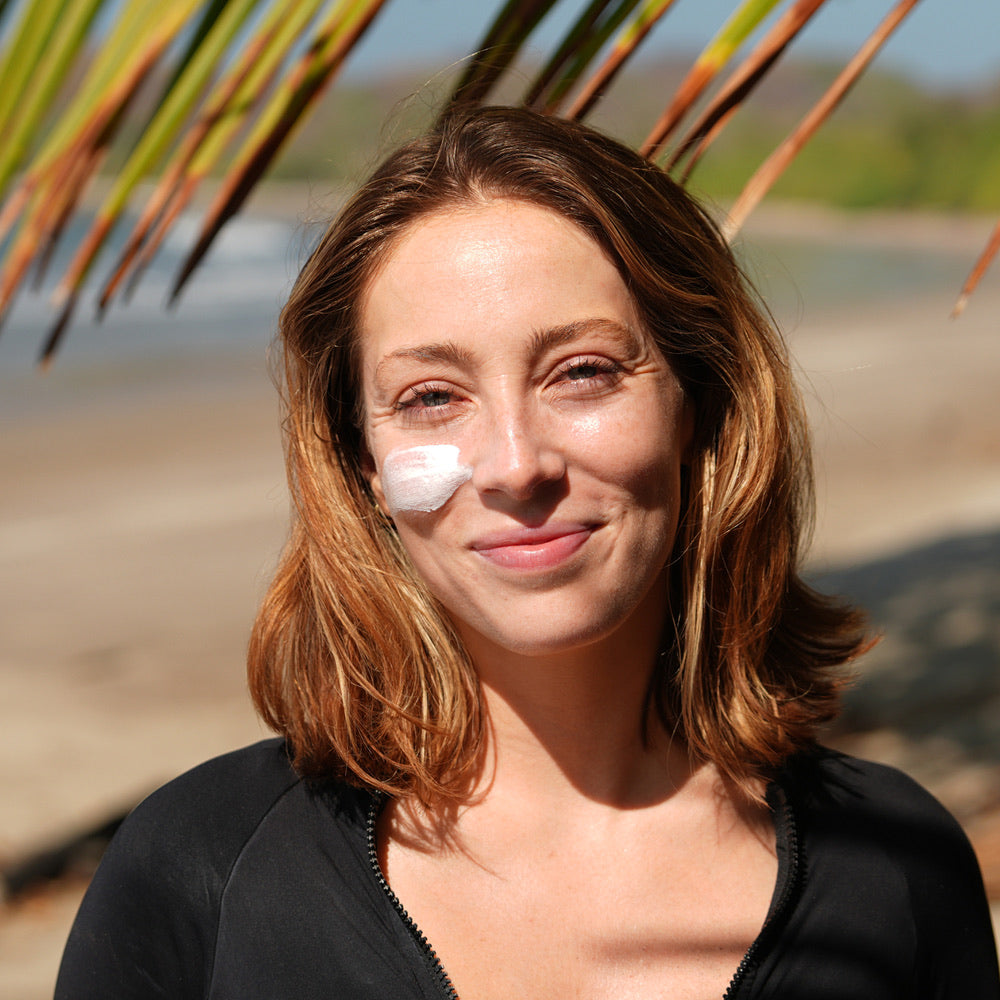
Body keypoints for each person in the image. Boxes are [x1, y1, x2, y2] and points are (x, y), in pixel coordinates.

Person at [56, 106, 999, 999]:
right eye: (432, 396)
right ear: (364, 463)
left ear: (700, 408)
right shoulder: (198, 872)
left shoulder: (897, 869)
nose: (515, 466)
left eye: (582, 373)